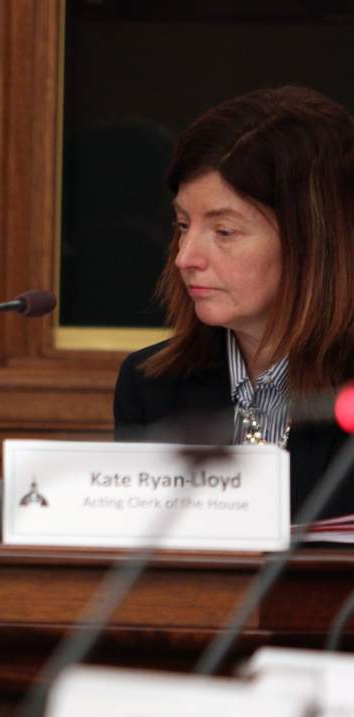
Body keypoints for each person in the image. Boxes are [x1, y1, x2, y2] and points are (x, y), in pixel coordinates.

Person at [114, 86, 354, 519]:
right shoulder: (151, 386)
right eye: (183, 225)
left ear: (313, 244)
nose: (186, 258)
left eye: (224, 232)